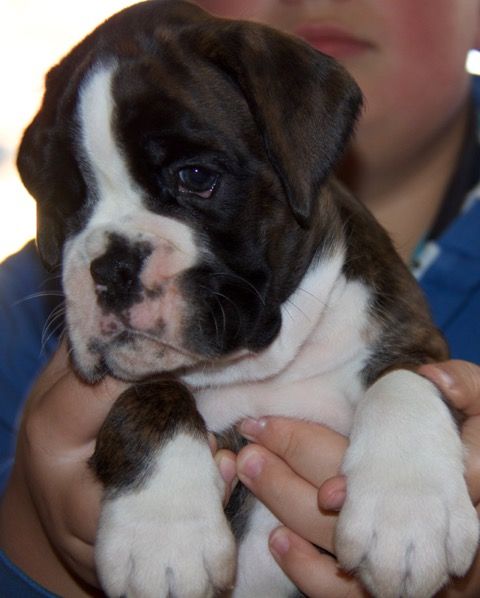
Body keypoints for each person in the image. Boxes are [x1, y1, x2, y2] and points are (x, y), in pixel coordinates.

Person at [1, 0, 480, 595]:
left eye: (195, 178)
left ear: (299, 141)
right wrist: (39, 529)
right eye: (76, 202)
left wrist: (415, 425)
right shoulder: (17, 311)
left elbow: (416, 373)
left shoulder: (382, 332)